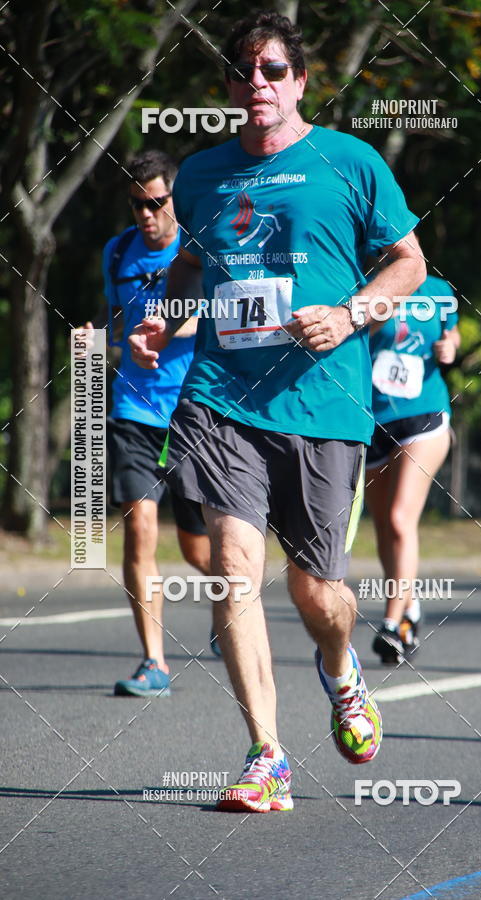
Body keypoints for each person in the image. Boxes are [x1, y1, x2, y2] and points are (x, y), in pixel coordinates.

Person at [129, 11, 426, 812]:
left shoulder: (350, 163)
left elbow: (409, 262)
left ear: (298, 81)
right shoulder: (199, 174)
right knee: (233, 574)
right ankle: (267, 755)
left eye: (270, 70)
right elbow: (193, 262)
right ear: (228, 85)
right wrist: (167, 314)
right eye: (241, 72)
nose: (255, 83)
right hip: (223, 398)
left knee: (318, 595)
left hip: (324, 405)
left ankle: (340, 671)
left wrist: (352, 314)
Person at [96, 150, 210, 696]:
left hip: (194, 411)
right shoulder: (117, 252)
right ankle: (154, 663)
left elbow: (222, 317)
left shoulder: (204, 247)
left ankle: (230, 608)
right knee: (139, 528)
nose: (145, 214)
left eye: (155, 202)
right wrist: (107, 342)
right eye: (137, 204)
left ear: (175, 199)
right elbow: (116, 325)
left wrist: (170, 334)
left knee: (199, 550)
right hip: (134, 409)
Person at [366, 275, 460, 665]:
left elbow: (451, 335)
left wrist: (449, 348)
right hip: (371, 419)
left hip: (425, 413)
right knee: (384, 525)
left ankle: (390, 624)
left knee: (400, 518)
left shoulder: (439, 291)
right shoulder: (364, 285)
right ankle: (409, 608)